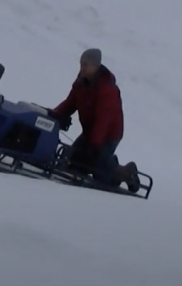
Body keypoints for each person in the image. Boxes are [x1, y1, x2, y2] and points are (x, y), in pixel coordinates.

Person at [49, 49, 140, 193]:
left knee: (101, 176)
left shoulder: (107, 89)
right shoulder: (81, 82)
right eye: (81, 64)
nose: (82, 68)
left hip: (109, 134)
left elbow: (103, 119)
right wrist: (55, 114)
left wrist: (95, 144)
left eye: (85, 65)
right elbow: (71, 102)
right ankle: (108, 161)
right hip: (90, 132)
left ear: (96, 66)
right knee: (75, 163)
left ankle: (127, 173)